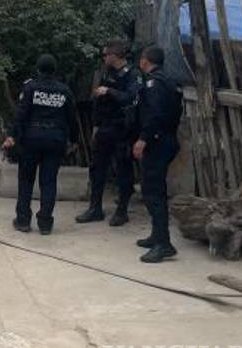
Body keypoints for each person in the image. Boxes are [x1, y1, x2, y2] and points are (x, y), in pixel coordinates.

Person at [3, 54, 76, 235]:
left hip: (31, 140)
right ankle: (45, 223)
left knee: (26, 181)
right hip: (55, 140)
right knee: (49, 182)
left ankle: (23, 221)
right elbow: (72, 119)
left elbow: (21, 114)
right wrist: (73, 141)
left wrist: (12, 135)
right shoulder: (64, 90)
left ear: (38, 69)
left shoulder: (31, 88)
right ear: (54, 70)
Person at [76, 40, 144, 226]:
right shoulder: (107, 73)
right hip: (105, 127)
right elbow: (99, 104)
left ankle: (122, 210)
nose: (104, 57)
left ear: (115, 55)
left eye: (106, 54)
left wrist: (110, 91)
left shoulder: (133, 75)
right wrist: (96, 127)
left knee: (123, 170)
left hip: (122, 129)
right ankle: (95, 208)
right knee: (97, 168)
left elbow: (132, 98)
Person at [132, 45, 184, 263]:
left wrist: (143, 138)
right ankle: (157, 235)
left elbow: (154, 114)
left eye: (141, 59)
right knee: (154, 189)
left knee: (153, 191)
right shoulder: (168, 81)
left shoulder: (154, 83)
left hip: (157, 141)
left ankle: (164, 244)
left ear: (145, 61)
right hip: (166, 139)